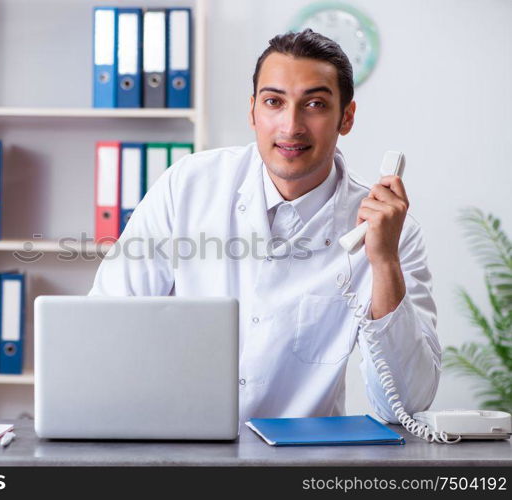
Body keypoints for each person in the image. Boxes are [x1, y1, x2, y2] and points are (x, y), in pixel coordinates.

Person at [89, 29, 440, 425]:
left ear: (346, 118)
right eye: (274, 102)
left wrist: (384, 263)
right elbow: (107, 327)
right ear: (253, 110)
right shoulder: (186, 185)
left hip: (301, 465)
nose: (291, 126)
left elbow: (405, 406)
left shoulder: (393, 231)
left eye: (315, 104)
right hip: (181, 445)